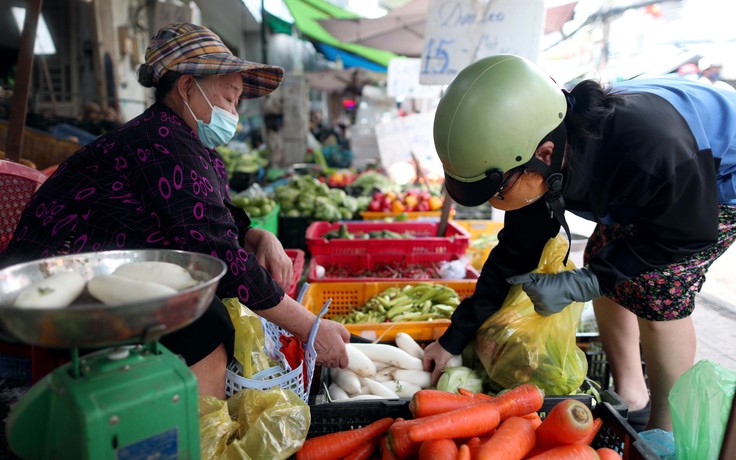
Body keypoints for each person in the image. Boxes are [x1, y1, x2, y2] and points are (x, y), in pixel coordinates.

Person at [0, 23, 350, 399]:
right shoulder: (160, 142)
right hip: (60, 295)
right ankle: (199, 434)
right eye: (229, 99)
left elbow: (210, 221)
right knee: (206, 321)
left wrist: (256, 235)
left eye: (236, 103)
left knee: (211, 311)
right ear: (186, 87)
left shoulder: (186, 143)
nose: (233, 112)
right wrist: (310, 327)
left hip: (114, 282)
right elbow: (220, 255)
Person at [425, 54, 736, 432]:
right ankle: (631, 395)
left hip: (713, 178)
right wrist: (454, 337)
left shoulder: (652, 148)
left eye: (498, 188)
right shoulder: (536, 155)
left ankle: (665, 431)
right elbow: (515, 253)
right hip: (659, 174)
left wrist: (585, 283)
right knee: (603, 258)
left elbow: (687, 232)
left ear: (544, 155)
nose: (496, 202)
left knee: (657, 284)